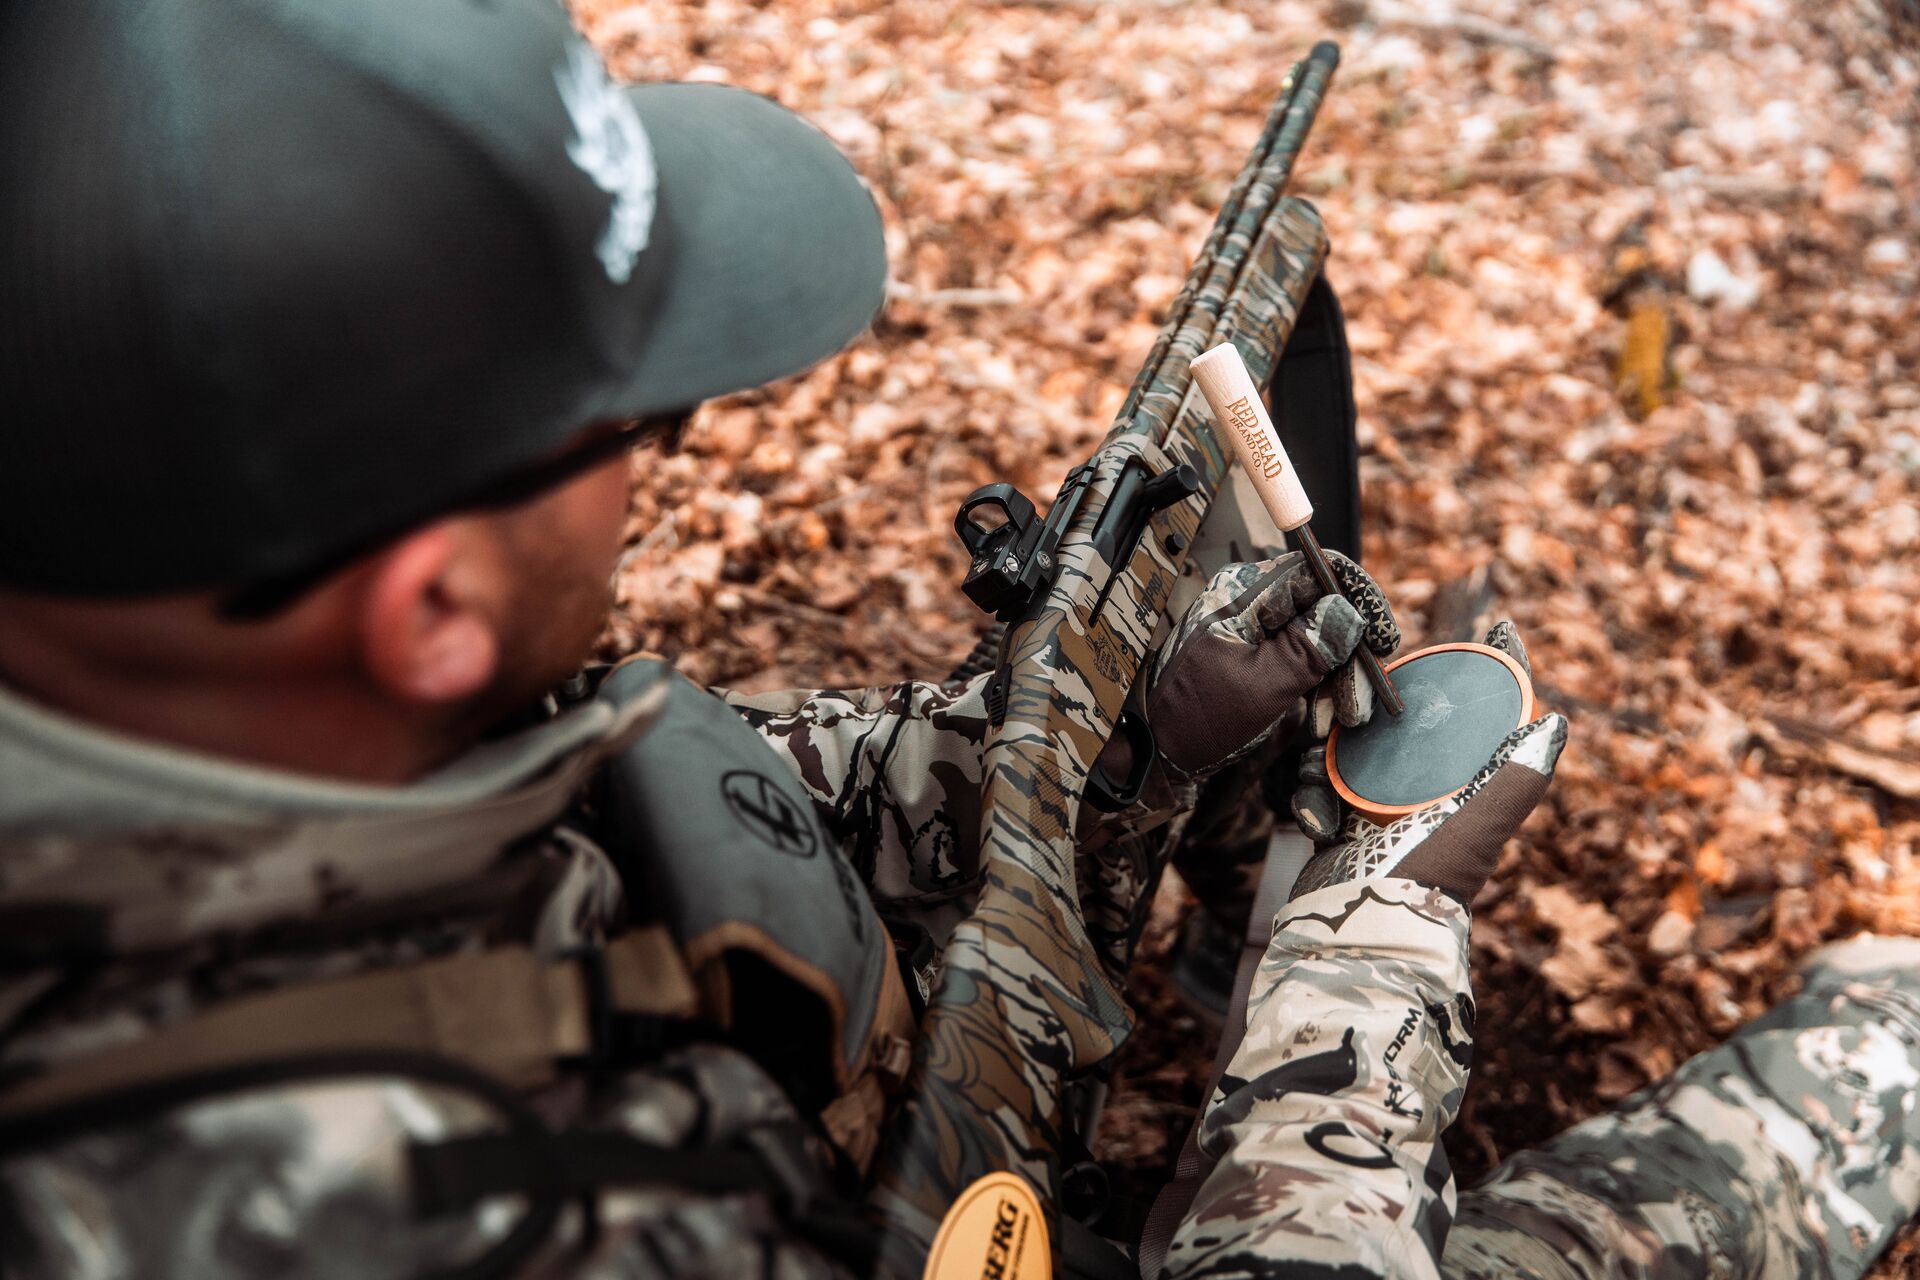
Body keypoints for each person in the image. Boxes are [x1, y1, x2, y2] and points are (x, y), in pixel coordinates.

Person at [0, 3, 1912, 1279]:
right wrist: (1364, 965)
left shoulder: (240, 710)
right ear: (425, 609)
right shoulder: (368, 1211)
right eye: (639, 428)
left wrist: (1132, 738)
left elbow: (697, 793)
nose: (667, 459)